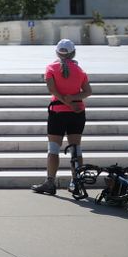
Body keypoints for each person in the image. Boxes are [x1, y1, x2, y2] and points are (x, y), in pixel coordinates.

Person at [32, 39, 93, 195]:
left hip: (57, 112)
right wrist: (72, 99)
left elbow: (51, 89)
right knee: (76, 148)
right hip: (77, 112)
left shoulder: (51, 68)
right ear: (73, 53)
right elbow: (87, 92)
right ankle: (76, 182)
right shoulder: (80, 71)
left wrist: (64, 100)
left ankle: (50, 183)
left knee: (53, 148)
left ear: (57, 52)